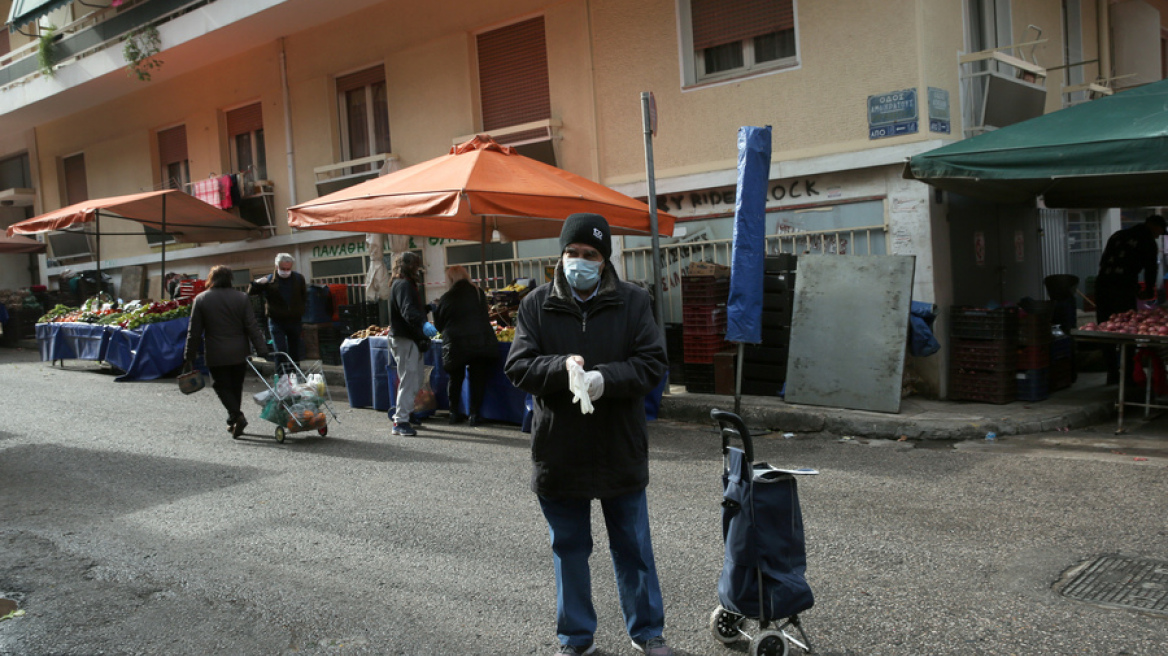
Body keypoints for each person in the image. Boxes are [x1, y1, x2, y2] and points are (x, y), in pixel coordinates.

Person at [504, 213, 672, 656]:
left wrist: (604, 380)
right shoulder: (536, 305)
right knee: (570, 550)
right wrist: (560, 368)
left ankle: (648, 635)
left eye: (590, 255)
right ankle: (576, 640)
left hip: (620, 447)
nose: (580, 261)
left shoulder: (634, 302)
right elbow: (518, 366)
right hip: (560, 451)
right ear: (561, 256)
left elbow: (652, 364)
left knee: (634, 549)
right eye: (573, 253)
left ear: (605, 260)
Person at [184, 265, 270, 438]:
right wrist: (262, 349)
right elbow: (252, 326)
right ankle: (234, 421)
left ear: (211, 279)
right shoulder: (241, 298)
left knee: (220, 385)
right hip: (240, 351)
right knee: (235, 386)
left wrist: (189, 355)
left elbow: (194, 332)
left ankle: (237, 416)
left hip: (216, 352)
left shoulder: (201, 299)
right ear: (230, 279)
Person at [1095, 214, 1168, 383]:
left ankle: (1112, 373)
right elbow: (1151, 269)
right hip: (1122, 290)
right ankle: (1128, 375)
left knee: (1107, 329)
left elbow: (1105, 262)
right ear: (1153, 226)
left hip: (1103, 286)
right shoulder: (1147, 240)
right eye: (1159, 231)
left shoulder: (1118, 235)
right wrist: (1148, 290)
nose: (1159, 235)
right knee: (1128, 330)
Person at [433, 265, 499, 426]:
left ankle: (454, 413)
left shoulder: (446, 298)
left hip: (455, 343)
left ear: (450, 279)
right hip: (479, 341)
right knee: (478, 379)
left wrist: (436, 309)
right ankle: (475, 414)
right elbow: (484, 316)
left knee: (455, 379)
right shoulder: (478, 293)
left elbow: (439, 326)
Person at [388, 251, 437, 437]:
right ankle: (400, 421)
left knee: (414, 379)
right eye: (416, 266)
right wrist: (423, 322)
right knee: (409, 380)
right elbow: (408, 311)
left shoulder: (400, 284)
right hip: (405, 338)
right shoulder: (404, 285)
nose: (418, 270)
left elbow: (407, 310)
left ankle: (406, 414)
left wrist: (426, 309)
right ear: (410, 267)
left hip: (407, 338)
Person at [248, 253, 307, 364]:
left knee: (294, 351)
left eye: (288, 269)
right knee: (280, 351)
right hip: (276, 321)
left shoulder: (298, 279)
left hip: (294, 319)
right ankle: (282, 376)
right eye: (283, 268)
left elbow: (303, 296)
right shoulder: (269, 280)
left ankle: (295, 373)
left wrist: (301, 310)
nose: (285, 271)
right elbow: (251, 292)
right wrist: (257, 283)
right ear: (277, 267)